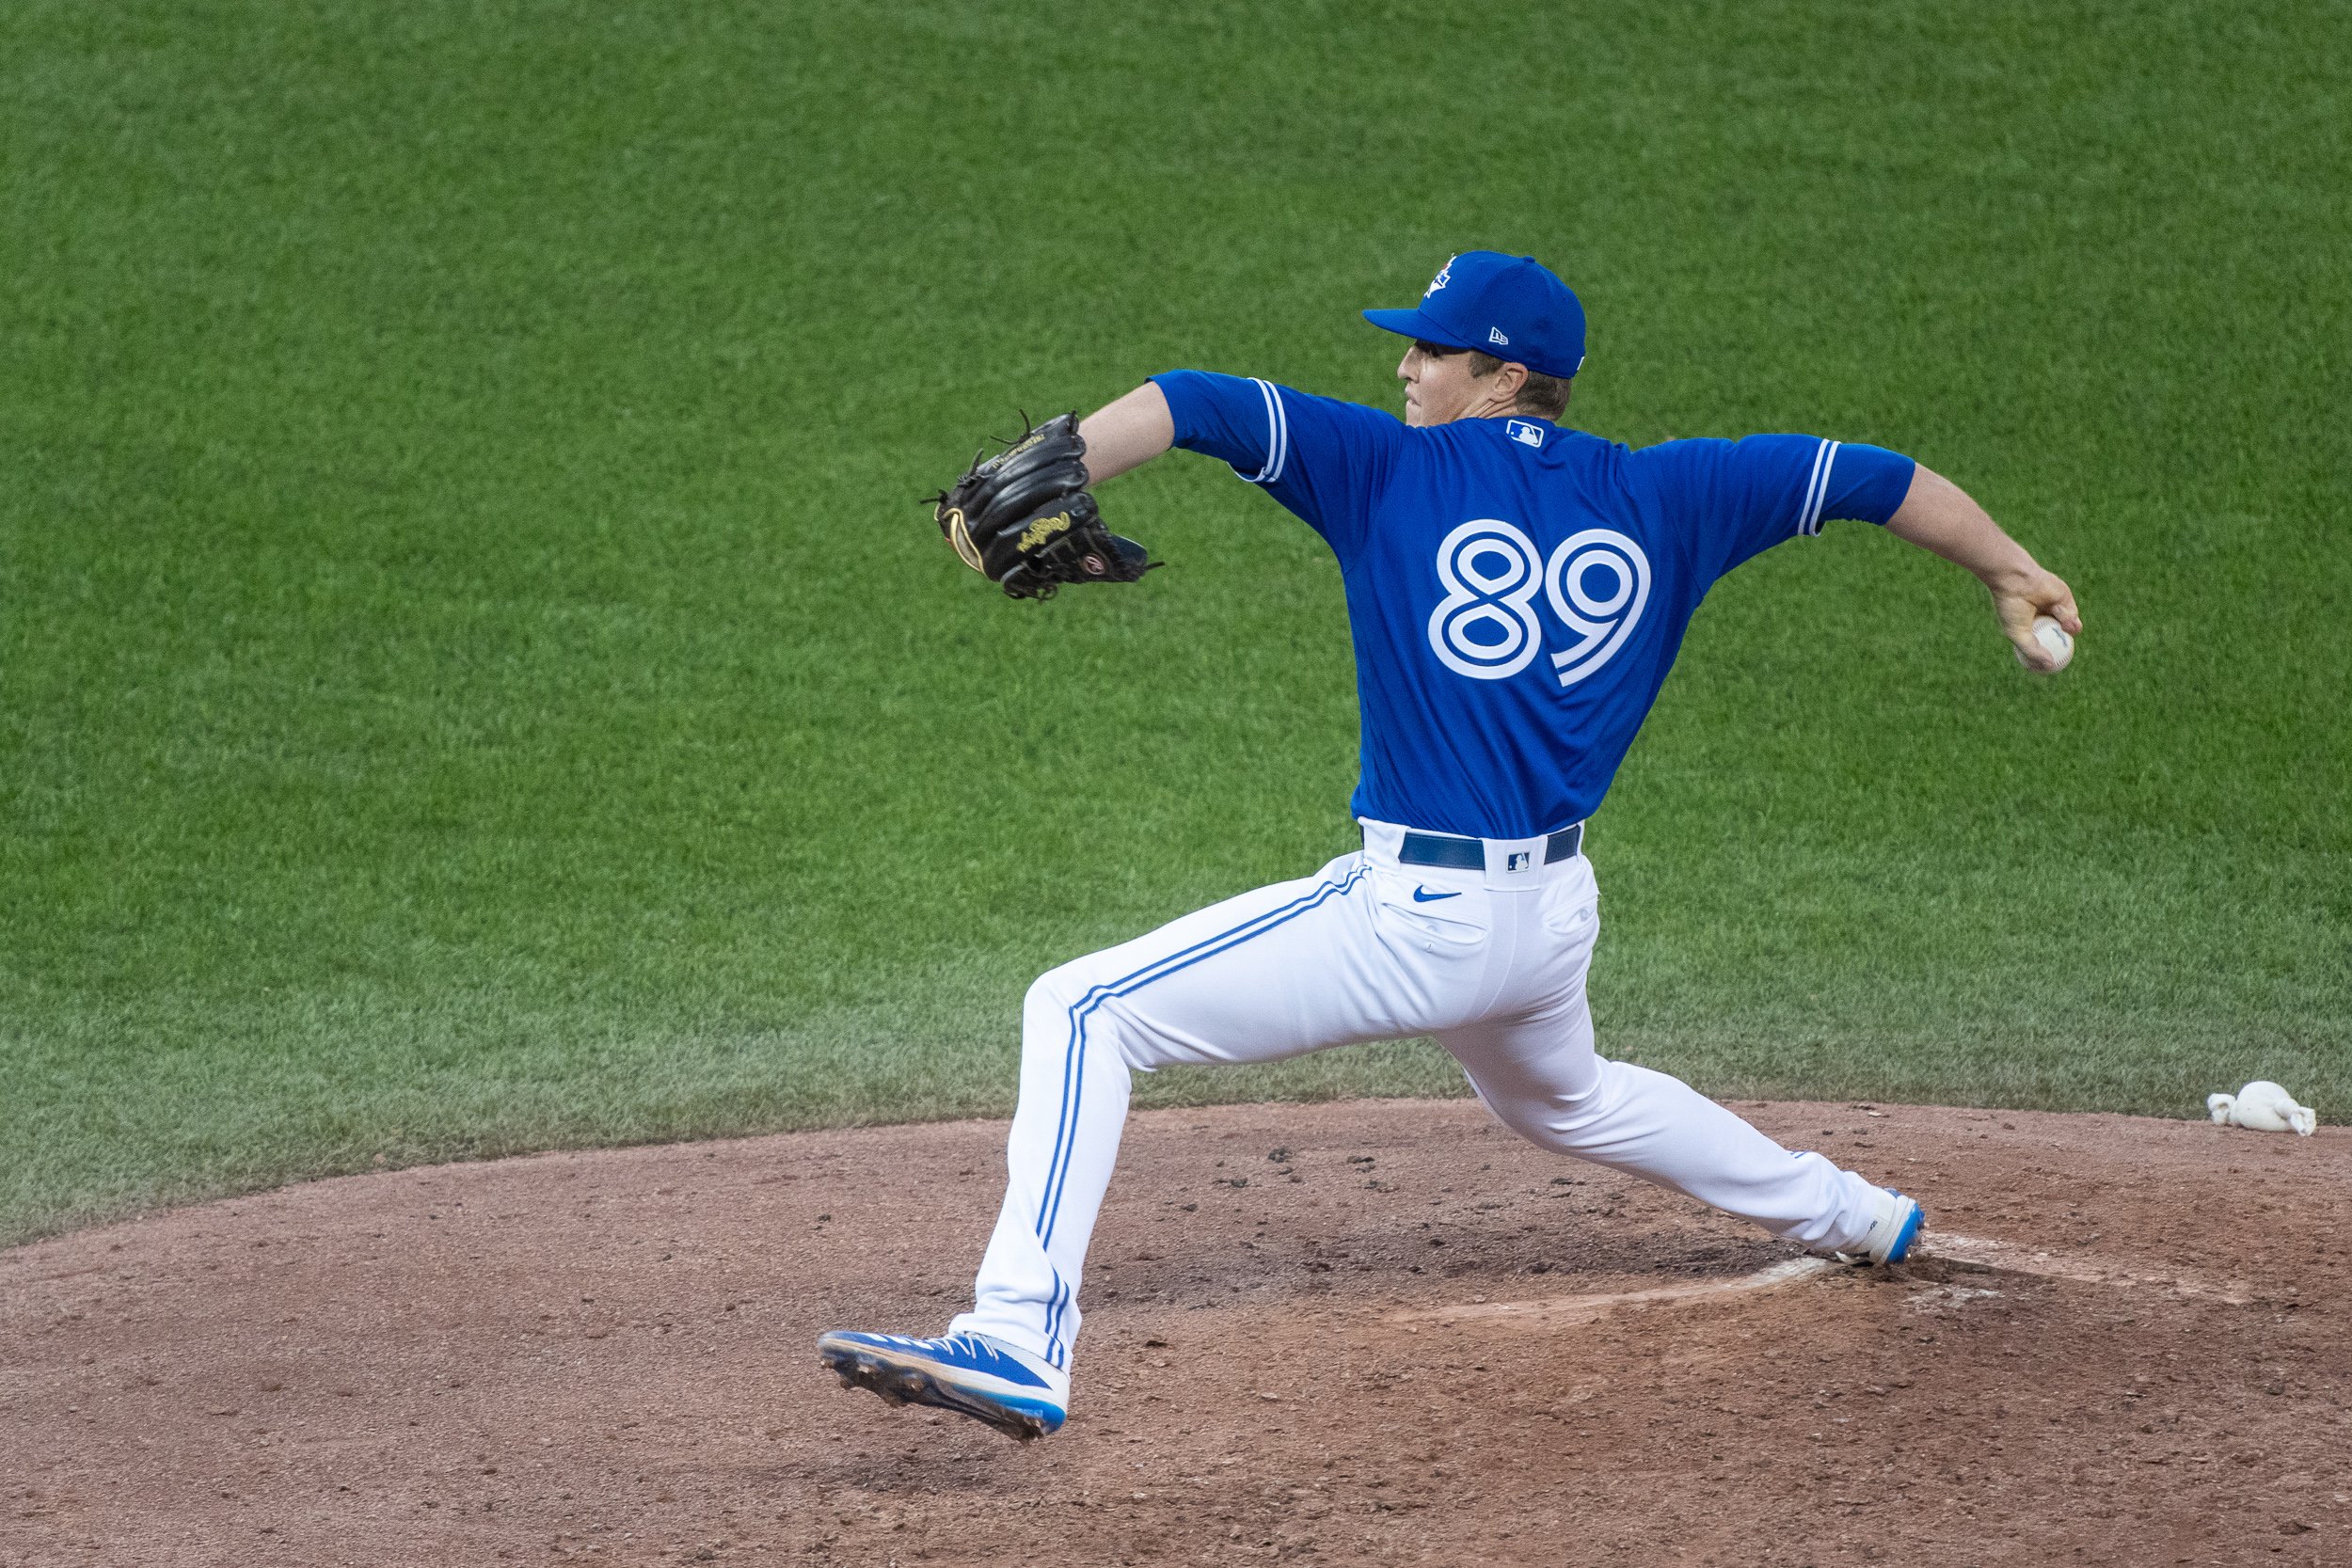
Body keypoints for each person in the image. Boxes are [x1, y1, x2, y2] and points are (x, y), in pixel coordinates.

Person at [818, 250, 2082, 1441]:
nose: (1405, 372)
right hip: (1547, 923)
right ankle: (1854, 1211)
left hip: (1417, 920)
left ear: (1505, 378)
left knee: (1082, 1009)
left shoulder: (1385, 470)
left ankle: (1018, 1336)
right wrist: (2010, 569)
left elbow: (1195, 401)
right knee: (1567, 1098)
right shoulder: (1677, 490)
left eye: (1431, 353)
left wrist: (1056, 464)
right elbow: (1876, 477)